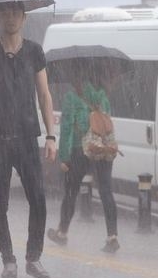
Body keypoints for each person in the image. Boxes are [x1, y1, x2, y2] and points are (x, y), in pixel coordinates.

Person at [0, 1, 56, 278]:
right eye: (5, 13)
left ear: (24, 18)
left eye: (16, 13)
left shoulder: (34, 51)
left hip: (27, 136)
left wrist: (51, 135)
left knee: (38, 199)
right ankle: (8, 259)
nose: (11, 18)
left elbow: (44, 95)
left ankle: (33, 257)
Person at [47, 70, 120, 253]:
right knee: (106, 192)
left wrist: (64, 157)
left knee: (71, 192)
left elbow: (66, 129)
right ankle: (112, 237)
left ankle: (62, 233)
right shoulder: (103, 97)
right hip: (102, 149)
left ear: (77, 79)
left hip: (80, 150)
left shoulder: (72, 97)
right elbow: (106, 123)